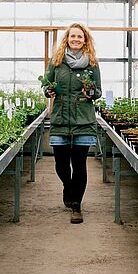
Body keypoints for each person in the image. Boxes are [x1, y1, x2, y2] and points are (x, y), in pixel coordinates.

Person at [42, 23, 102, 224]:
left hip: (83, 120)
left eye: (80, 37)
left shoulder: (92, 63)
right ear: (67, 39)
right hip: (60, 118)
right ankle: (68, 187)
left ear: (85, 40)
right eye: (72, 36)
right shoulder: (57, 61)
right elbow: (46, 85)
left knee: (79, 164)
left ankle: (76, 205)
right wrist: (48, 91)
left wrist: (91, 93)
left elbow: (98, 91)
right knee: (60, 164)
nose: (76, 39)